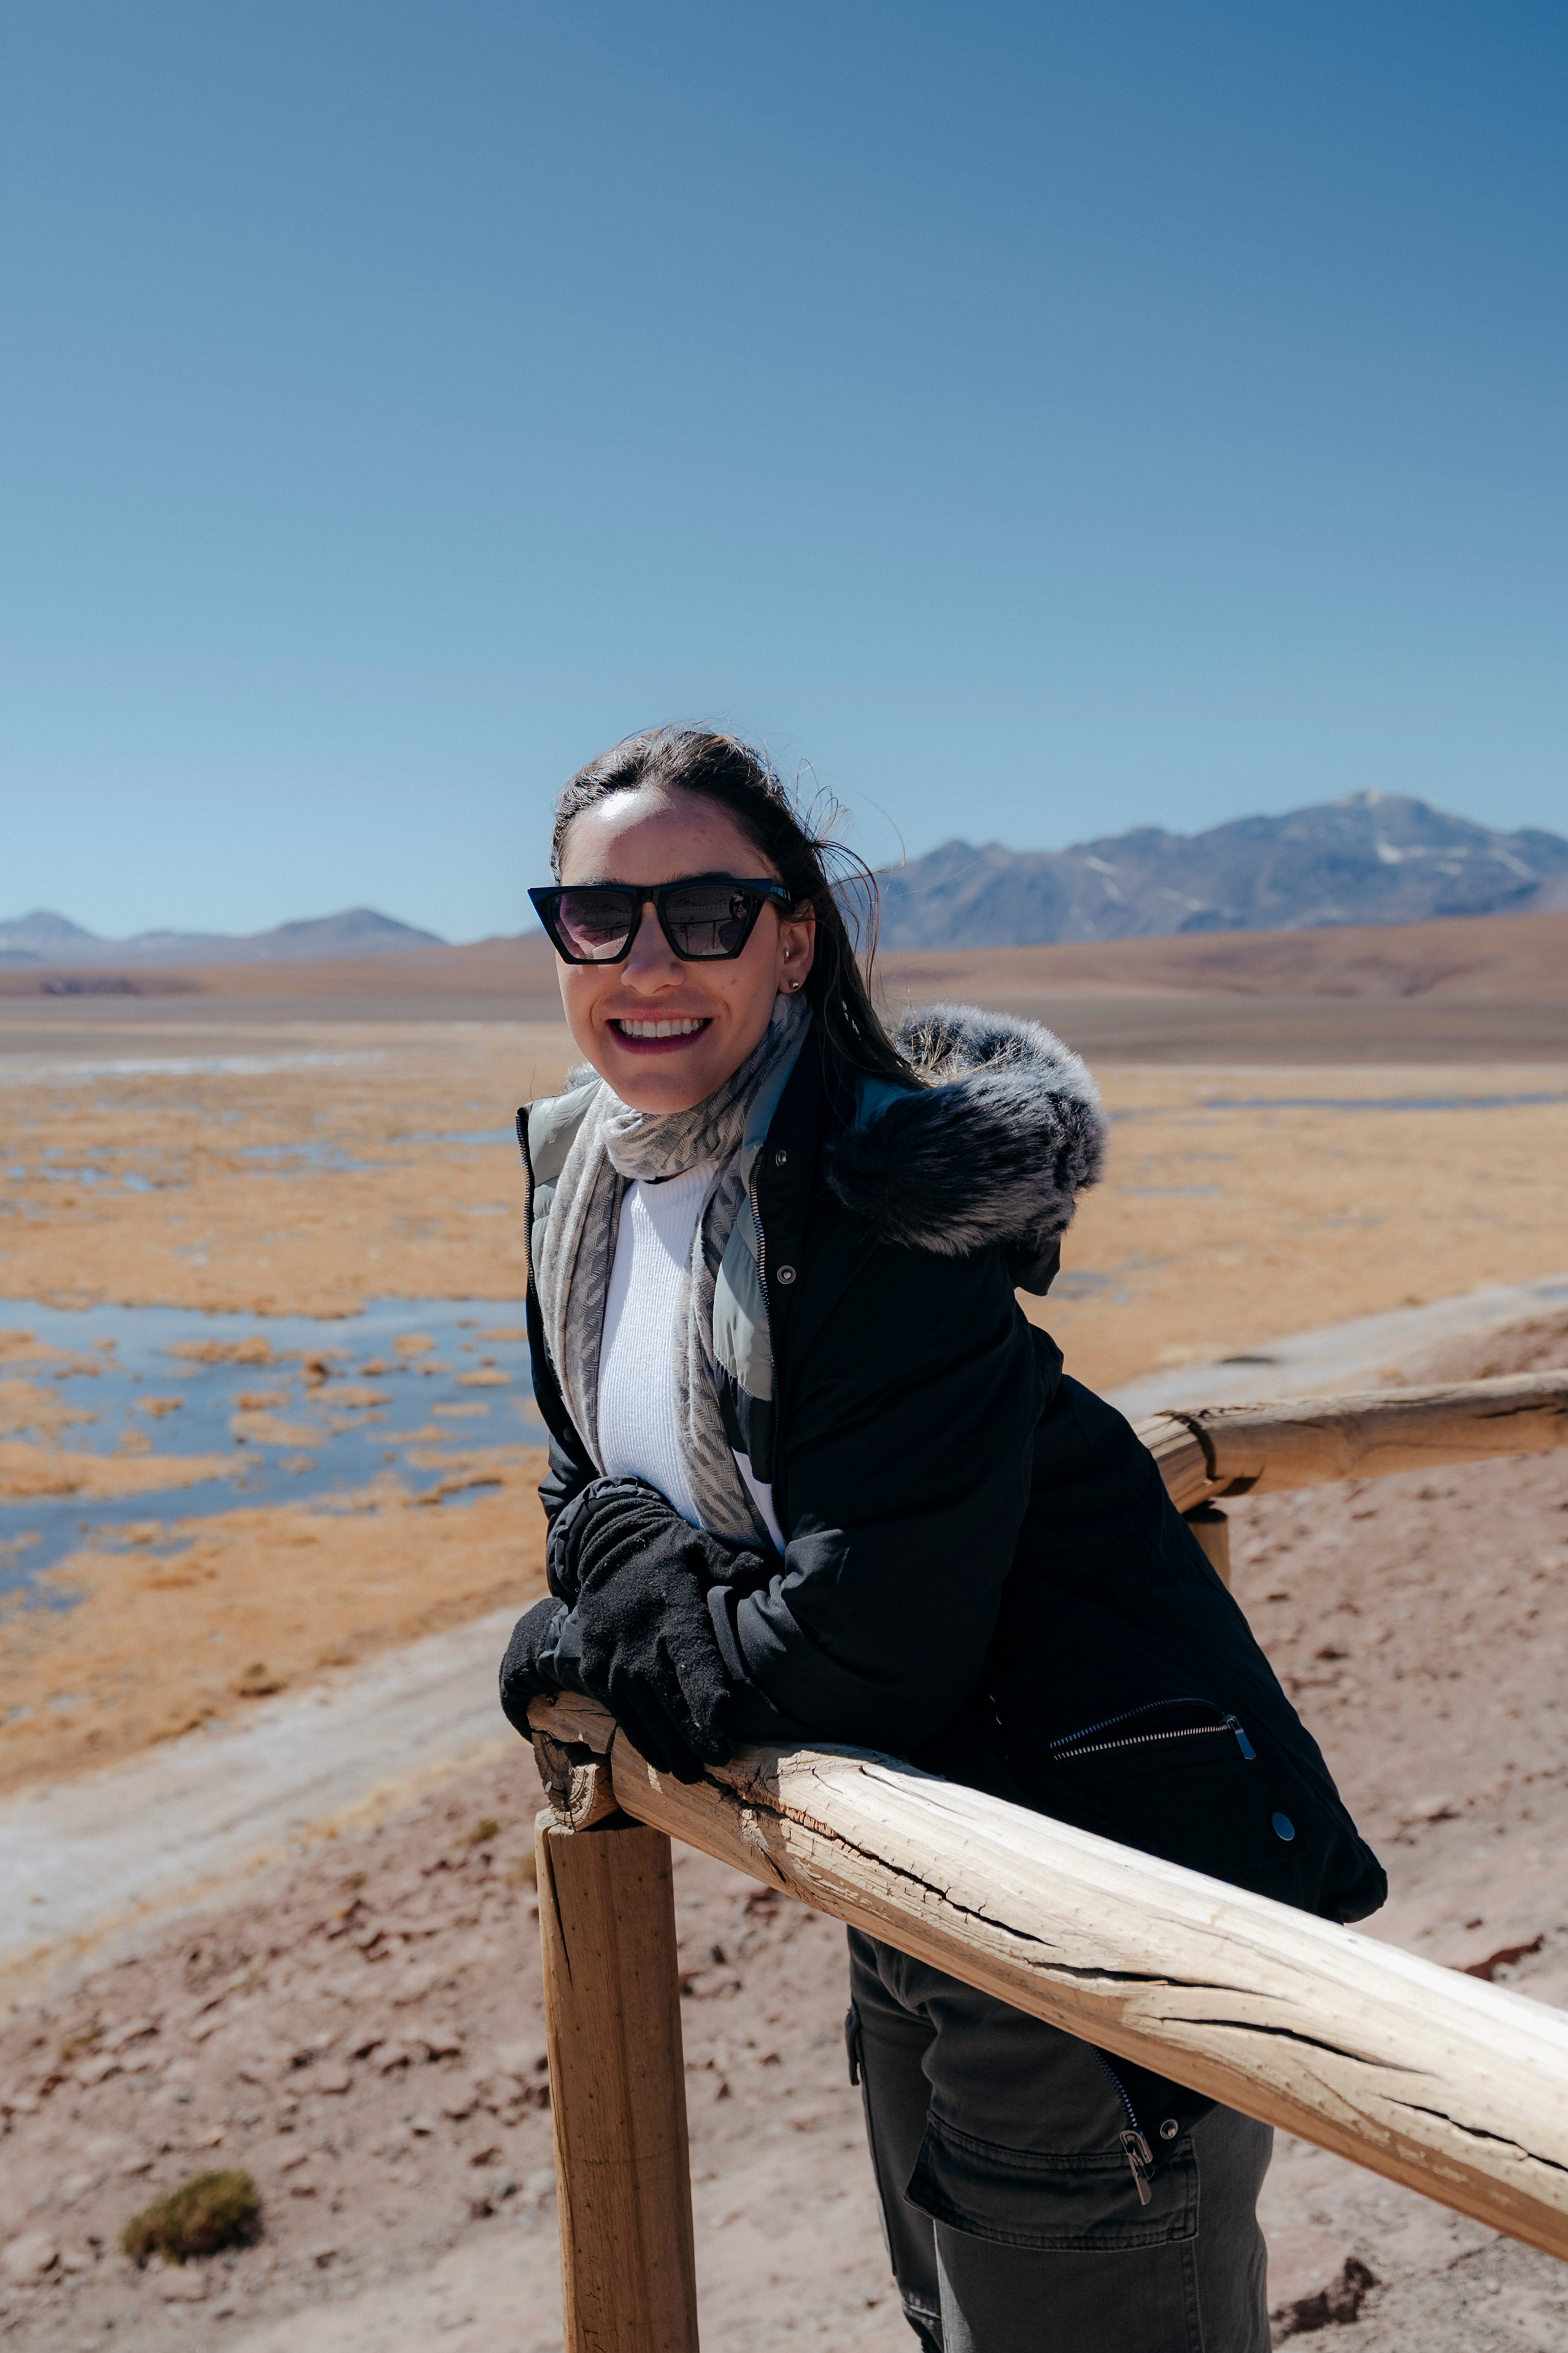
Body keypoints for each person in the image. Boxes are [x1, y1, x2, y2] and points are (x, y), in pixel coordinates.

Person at [500, 725, 1383, 2353]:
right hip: (913, 1871)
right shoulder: (587, 1185)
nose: (645, 961)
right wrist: (634, 1583)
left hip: (1097, 1876)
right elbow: (588, 1495)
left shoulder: (876, 1203)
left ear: (791, 935)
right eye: (598, 916)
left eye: (704, 915)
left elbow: (857, 1649)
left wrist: (592, 1628)